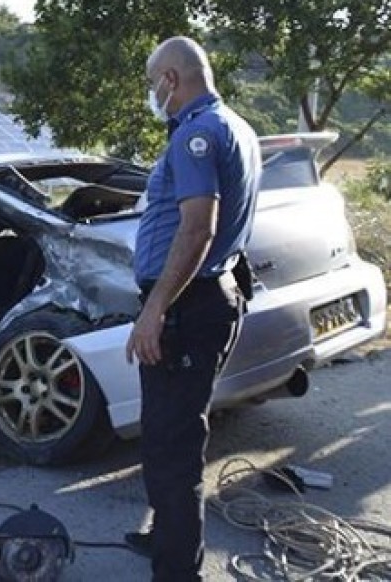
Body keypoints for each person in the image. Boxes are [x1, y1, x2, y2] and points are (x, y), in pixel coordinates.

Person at [124, 37, 262, 581]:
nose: (151, 92)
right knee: (173, 431)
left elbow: (199, 227)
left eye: (152, 81)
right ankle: (167, 539)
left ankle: (178, 570)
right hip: (207, 296)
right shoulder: (236, 126)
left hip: (187, 305)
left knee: (171, 446)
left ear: (171, 80)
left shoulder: (196, 135)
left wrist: (155, 308)